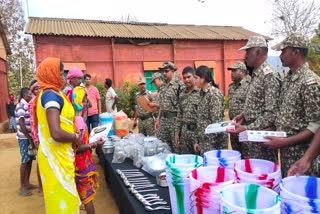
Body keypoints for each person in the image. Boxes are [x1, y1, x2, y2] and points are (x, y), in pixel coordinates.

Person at [263, 33, 320, 176]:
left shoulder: (309, 82)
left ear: (296, 52)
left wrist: (284, 142)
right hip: (287, 155)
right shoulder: (288, 80)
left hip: (303, 158)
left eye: (283, 51)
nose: (280, 55)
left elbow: (316, 125)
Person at [33, 57, 81, 213]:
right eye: (60, 73)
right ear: (51, 74)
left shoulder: (55, 94)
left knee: (66, 199)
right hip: (54, 157)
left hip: (60, 155)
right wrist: (75, 137)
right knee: (61, 203)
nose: (63, 77)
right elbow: (55, 132)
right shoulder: (50, 96)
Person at [231, 36, 281, 162]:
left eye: (248, 51)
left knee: (261, 176)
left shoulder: (268, 76)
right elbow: (257, 103)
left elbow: (271, 113)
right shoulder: (257, 74)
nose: (245, 55)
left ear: (258, 52)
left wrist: (248, 128)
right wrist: (243, 115)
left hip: (260, 140)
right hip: (252, 137)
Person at [69, 86, 104, 214]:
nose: (85, 104)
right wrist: (93, 144)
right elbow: (77, 147)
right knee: (87, 198)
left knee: (82, 197)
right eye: (83, 101)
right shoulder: (78, 120)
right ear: (78, 102)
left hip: (79, 163)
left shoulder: (74, 118)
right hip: (80, 165)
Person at [194, 65, 227, 154]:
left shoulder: (213, 94)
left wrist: (208, 145)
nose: (194, 81)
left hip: (213, 144)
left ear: (203, 79)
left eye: (196, 78)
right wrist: (198, 141)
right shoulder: (201, 93)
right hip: (204, 141)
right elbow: (200, 119)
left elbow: (216, 123)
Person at [155, 62, 184, 152]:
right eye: (163, 71)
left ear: (173, 71)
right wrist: (158, 119)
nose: (164, 73)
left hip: (174, 121)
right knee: (164, 148)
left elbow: (182, 106)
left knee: (176, 148)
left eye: (166, 71)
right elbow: (161, 104)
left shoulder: (179, 85)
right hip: (164, 121)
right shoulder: (163, 86)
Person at [15, 87, 36, 196]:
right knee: (24, 160)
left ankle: (27, 183)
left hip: (28, 137)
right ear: (23, 95)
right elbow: (22, 125)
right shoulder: (20, 107)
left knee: (30, 159)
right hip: (24, 138)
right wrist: (29, 139)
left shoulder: (27, 106)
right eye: (28, 94)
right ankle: (22, 186)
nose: (30, 95)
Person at [227, 61, 251, 154]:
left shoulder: (249, 85)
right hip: (233, 126)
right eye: (231, 71)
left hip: (244, 126)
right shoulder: (231, 87)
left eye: (234, 71)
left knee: (246, 153)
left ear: (242, 72)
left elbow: (250, 105)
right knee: (236, 153)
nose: (231, 73)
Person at [175, 66, 200, 154]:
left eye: (189, 77)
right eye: (184, 78)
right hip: (185, 132)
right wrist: (177, 133)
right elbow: (179, 115)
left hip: (197, 132)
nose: (186, 80)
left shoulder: (201, 93)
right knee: (186, 157)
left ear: (194, 77)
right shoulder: (182, 94)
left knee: (198, 158)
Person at [28, 80, 43, 195]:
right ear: (32, 91)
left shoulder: (42, 99)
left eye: (39, 88)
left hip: (45, 134)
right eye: (36, 89)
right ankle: (41, 187)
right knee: (40, 162)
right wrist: (36, 140)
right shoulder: (32, 102)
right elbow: (33, 123)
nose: (38, 90)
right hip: (39, 136)